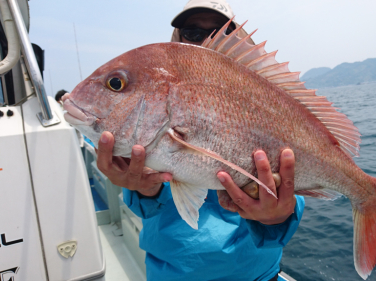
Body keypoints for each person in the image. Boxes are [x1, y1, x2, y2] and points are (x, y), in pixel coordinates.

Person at [95, 1, 305, 280]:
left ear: (240, 40)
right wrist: (144, 188)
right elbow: (147, 205)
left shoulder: (261, 97)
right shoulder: (155, 101)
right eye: (193, 32)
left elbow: (292, 181)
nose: (208, 40)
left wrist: (275, 215)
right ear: (178, 38)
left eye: (222, 32)